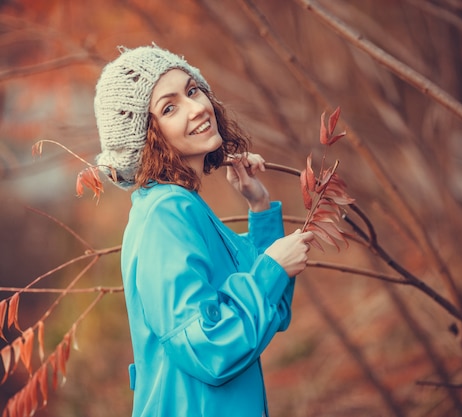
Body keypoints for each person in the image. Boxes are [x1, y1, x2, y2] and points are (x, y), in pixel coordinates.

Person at [93, 45, 314, 417]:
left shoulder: (183, 205)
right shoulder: (165, 214)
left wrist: (259, 209)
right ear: (148, 136)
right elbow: (209, 347)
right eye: (169, 107)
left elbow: (269, 312)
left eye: (192, 90)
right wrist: (272, 269)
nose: (197, 108)